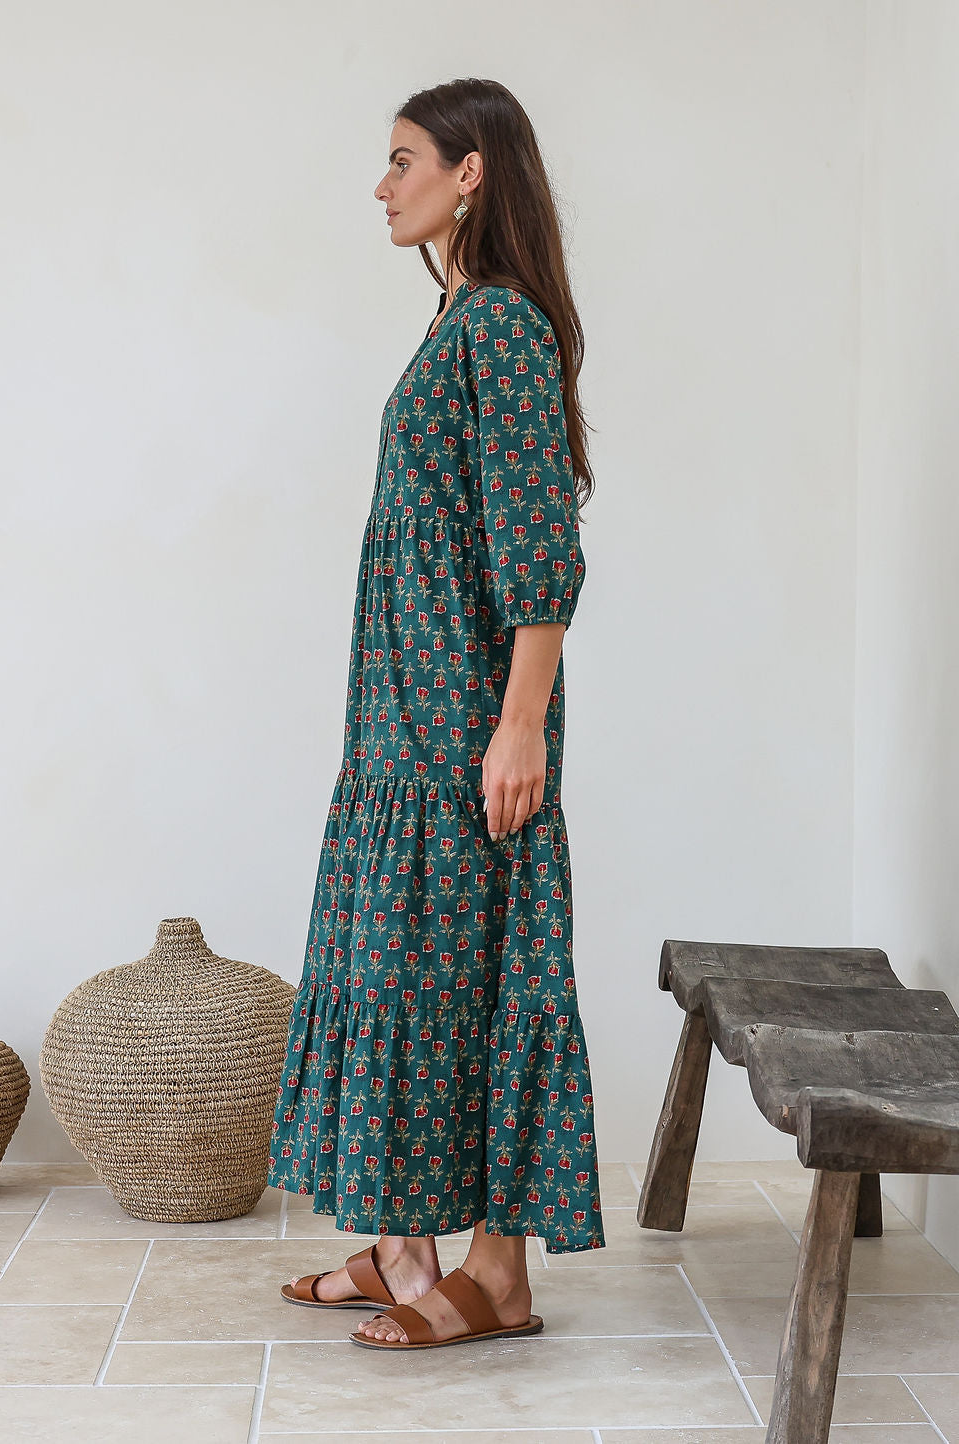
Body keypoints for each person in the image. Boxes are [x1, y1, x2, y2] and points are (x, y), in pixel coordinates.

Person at [268, 77, 606, 1351]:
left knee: (484, 977)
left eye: (402, 158)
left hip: (465, 723)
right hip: (399, 728)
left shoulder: (502, 326)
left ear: (471, 173)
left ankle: (498, 1274)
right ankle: (405, 1239)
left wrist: (518, 725)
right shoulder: (456, 320)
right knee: (404, 974)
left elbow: (538, 550)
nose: (381, 181)